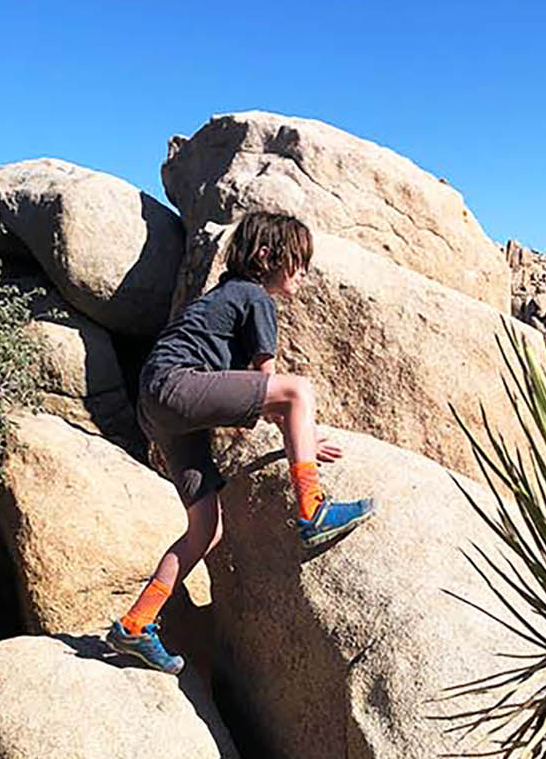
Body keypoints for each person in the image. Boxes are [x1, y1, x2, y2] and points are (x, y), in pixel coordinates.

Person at [105, 211, 375, 673]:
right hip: (176, 385)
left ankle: (135, 623)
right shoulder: (254, 297)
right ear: (267, 256)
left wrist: (293, 427)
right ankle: (312, 508)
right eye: (300, 264)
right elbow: (271, 385)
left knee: (205, 528)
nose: (305, 274)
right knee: (299, 389)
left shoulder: (224, 296)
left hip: (158, 406)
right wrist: (304, 436)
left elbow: (253, 399)